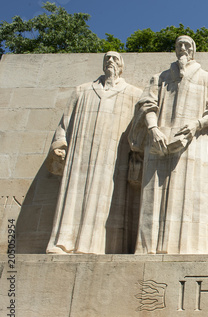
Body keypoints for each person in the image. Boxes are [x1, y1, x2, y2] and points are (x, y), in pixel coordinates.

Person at [129, 35, 208, 254]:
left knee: (192, 195)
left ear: (194, 50)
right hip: (158, 141)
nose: (183, 48)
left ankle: (191, 248)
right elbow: (146, 105)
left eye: (187, 45)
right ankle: (149, 248)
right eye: (179, 45)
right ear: (175, 50)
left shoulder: (207, 78)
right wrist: (152, 129)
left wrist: (197, 125)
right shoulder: (159, 78)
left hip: (195, 143)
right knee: (153, 197)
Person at [46, 51, 143, 254]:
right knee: (73, 195)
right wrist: (60, 143)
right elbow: (65, 123)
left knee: (107, 199)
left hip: (114, 156)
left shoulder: (133, 93)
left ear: (121, 65)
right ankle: (63, 243)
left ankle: (101, 247)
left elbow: (139, 128)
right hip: (80, 154)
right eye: (107, 58)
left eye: (115, 59)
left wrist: (138, 152)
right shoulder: (81, 91)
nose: (111, 61)